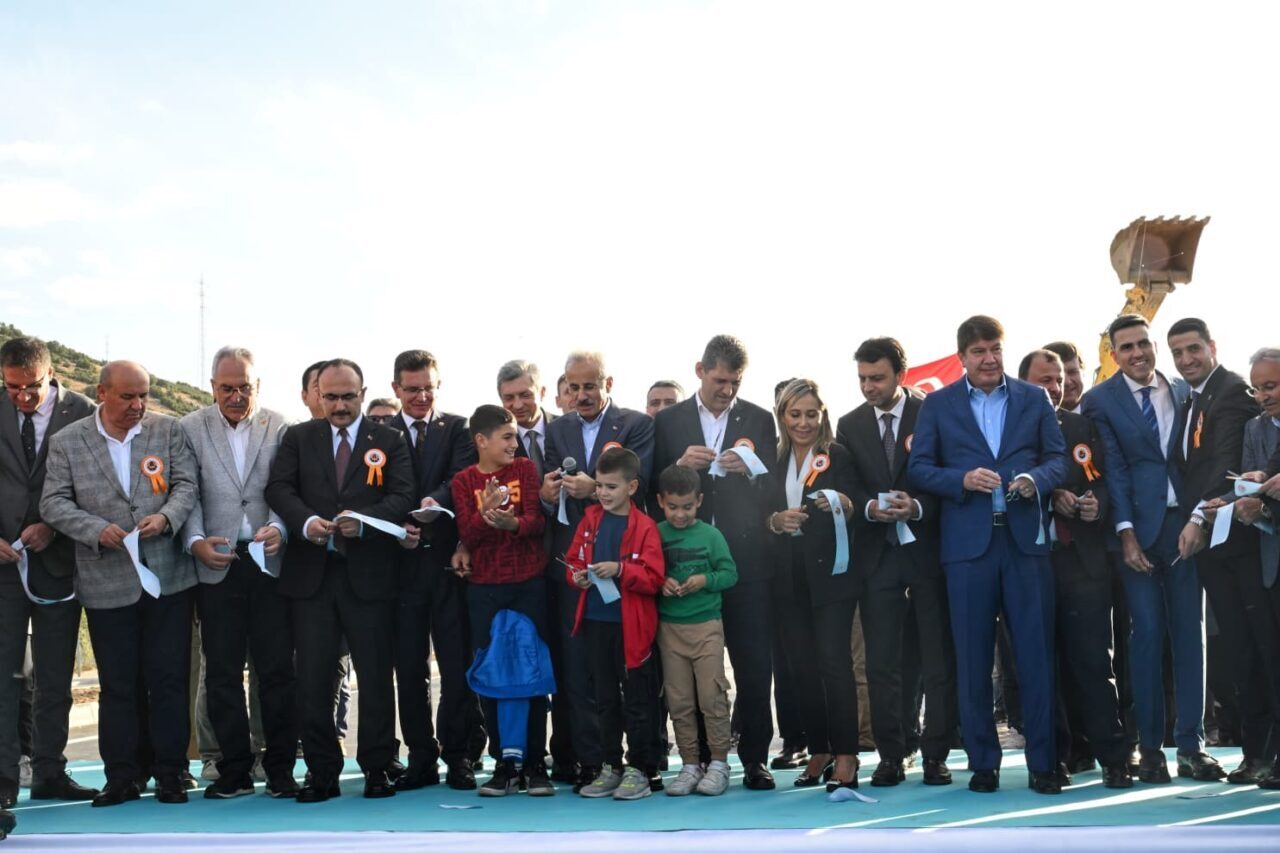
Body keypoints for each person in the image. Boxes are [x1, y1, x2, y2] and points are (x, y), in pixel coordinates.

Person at [908, 316, 1066, 795]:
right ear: (962, 357)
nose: (989, 358)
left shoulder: (1034, 398)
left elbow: (1058, 459)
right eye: (978, 351)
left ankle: (1044, 763)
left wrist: (1035, 480)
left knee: (1036, 657)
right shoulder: (938, 405)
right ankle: (983, 763)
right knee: (973, 660)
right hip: (967, 549)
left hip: (1025, 546)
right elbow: (919, 468)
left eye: (995, 348)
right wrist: (960, 480)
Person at [41, 361, 200, 807]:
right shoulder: (67, 441)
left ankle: (172, 773)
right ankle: (123, 777)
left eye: (143, 395)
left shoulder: (168, 430)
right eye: (128, 396)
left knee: (168, 679)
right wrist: (94, 529)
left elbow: (186, 485)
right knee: (118, 685)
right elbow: (53, 502)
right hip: (105, 580)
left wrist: (166, 518)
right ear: (102, 393)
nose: (138, 405)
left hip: (167, 578)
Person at [265, 358, 415, 802]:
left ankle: (377, 767)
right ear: (317, 396)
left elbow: (403, 494)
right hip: (311, 579)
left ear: (362, 394)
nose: (339, 405)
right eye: (330, 397)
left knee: (375, 677)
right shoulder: (298, 437)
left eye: (348, 396)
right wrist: (305, 522)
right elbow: (279, 489)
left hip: (370, 578)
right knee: (313, 680)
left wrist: (364, 522)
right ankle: (322, 771)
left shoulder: (388, 439)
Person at [651, 334, 778, 790]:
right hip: (685, 568)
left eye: (735, 382)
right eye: (720, 380)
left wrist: (753, 471)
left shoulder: (760, 419)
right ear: (700, 371)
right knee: (691, 675)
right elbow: (650, 488)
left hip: (746, 564)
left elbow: (775, 488)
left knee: (753, 666)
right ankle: (700, 758)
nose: (727, 390)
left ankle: (755, 758)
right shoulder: (669, 421)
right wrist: (679, 465)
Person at [1080, 314, 1202, 785]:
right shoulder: (1099, 400)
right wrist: (1126, 533)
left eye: (1143, 344)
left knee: (1190, 635)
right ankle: (1150, 748)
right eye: (1126, 347)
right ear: (1114, 354)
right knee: (1147, 634)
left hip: (1185, 527)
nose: (1137, 353)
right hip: (1135, 534)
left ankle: (1191, 747)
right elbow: (1113, 470)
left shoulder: (1183, 391)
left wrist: (1198, 518)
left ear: (1154, 346)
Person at [836, 337, 957, 787]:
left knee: (936, 659)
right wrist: (869, 508)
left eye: (878, 378)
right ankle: (892, 754)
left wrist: (919, 506)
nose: (869, 386)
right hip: (878, 558)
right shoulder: (849, 424)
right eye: (862, 379)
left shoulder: (933, 412)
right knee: (882, 662)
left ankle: (935, 754)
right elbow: (848, 484)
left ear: (901, 376)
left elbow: (949, 475)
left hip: (928, 555)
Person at [179, 347, 298, 799]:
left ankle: (281, 768)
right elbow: (186, 492)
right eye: (227, 388)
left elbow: (289, 488)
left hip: (269, 563)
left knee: (276, 670)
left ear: (257, 386)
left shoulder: (280, 425)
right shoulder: (189, 428)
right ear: (212, 387)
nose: (236, 396)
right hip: (216, 563)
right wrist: (195, 541)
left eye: (244, 387)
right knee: (222, 673)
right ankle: (234, 770)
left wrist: (281, 528)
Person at [540, 351, 654, 791]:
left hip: (627, 570)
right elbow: (550, 489)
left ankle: (643, 765)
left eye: (590, 386)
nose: (582, 395)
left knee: (634, 681)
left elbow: (640, 483)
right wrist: (549, 493)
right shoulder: (558, 429)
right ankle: (597, 764)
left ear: (608, 384)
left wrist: (593, 488)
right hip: (580, 571)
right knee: (585, 676)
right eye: (574, 387)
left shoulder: (636, 425)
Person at [1019, 349, 1131, 789]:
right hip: (1030, 563)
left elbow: (1101, 481)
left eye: (1059, 379)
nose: (1054, 387)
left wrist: (1092, 504)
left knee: (1094, 663)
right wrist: (1051, 497)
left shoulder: (1082, 427)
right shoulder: (1010, 430)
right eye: (1044, 380)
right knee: (1041, 668)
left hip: (1081, 561)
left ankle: (1114, 758)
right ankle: (1055, 758)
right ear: (1023, 384)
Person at [0, 337, 98, 805]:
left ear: (52, 374)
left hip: (60, 564)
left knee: (55, 678)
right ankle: (3, 779)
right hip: (4, 568)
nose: (22, 396)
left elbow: (96, 484)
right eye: (11, 387)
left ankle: (49, 772)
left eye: (32, 386)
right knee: (4, 676)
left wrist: (55, 527)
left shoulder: (84, 413)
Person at [1165, 318, 1262, 783]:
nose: (1186, 360)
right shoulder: (1192, 399)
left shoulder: (1232, 391)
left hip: (1239, 545)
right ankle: (1258, 754)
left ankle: (1266, 754)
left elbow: (1225, 466)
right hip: (1213, 551)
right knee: (1238, 652)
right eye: (1178, 353)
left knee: (1256, 650)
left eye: (1193, 349)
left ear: (1212, 346)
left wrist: (1198, 517)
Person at [387, 350, 480, 791]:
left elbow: (462, 479)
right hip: (401, 568)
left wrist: (434, 502)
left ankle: (459, 756)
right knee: (409, 669)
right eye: (412, 389)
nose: (422, 396)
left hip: (449, 565)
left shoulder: (458, 428)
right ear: (396, 389)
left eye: (429, 388)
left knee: (457, 665)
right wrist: (397, 523)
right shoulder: (380, 433)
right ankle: (421, 757)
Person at [764, 380, 861, 790]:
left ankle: (847, 754)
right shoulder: (772, 457)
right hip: (787, 576)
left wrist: (843, 502)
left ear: (822, 415)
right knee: (801, 667)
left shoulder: (837, 455)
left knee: (834, 664)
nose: (803, 423)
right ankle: (819, 749)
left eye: (811, 414)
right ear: (782, 416)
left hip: (832, 575)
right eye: (795, 414)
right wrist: (775, 521)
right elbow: (758, 512)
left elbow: (857, 503)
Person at [451, 405, 552, 796]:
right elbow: (467, 534)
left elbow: (536, 521)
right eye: (507, 437)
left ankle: (535, 763)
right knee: (492, 675)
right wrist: (486, 513)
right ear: (482, 440)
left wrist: (513, 523)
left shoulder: (525, 469)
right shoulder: (464, 481)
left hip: (529, 585)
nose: (515, 443)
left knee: (532, 673)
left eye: (515, 436)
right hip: (484, 589)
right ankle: (504, 764)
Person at [565, 447, 664, 800]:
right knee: (604, 698)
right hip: (596, 622)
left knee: (637, 699)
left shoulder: (645, 526)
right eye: (600, 486)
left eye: (611, 486)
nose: (603, 493)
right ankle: (611, 765)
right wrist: (577, 577)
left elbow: (654, 578)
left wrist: (621, 570)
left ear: (632, 487)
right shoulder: (590, 519)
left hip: (632, 629)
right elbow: (574, 560)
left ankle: (641, 769)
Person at [654, 464, 737, 797]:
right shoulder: (654, 533)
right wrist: (660, 582)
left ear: (699, 501)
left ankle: (718, 763)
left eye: (687, 507)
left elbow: (730, 574)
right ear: (660, 501)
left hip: (707, 627)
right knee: (679, 700)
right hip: (669, 629)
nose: (680, 514)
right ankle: (689, 764)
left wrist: (705, 580)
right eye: (673, 507)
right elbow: (645, 570)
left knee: (711, 696)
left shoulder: (711, 535)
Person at [1235, 347, 1280, 788]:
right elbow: (1256, 493)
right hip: (1271, 559)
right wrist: (1251, 500)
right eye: (1257, 388)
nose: (1264, 396)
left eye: (1271, 386)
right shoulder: (1254, 428)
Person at [498, 360, 557, 479]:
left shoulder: (567, 429)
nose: (518, 405)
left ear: (542, 392)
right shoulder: (495, 443)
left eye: (525, 395)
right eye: (509, 398)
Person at [1043, 341, 1088, 413]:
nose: (1067, 382)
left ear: (1083, 372)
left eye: (1072, 372)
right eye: (1059, 375)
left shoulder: (1103, 413)